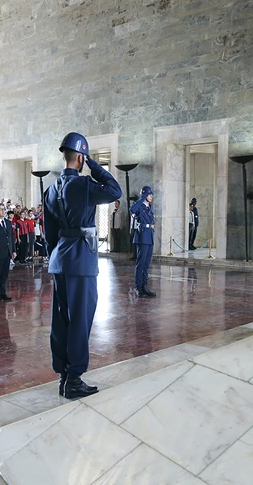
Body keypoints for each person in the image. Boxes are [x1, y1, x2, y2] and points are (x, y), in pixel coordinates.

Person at [44, 132, 121, 399]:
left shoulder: (51, 189)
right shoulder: (84, 185)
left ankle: (64, 375)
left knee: (61, 318)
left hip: (60, 260)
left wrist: (56, 256)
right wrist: (96, 166)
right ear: (80, 157)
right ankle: (74, 378)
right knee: (80, 318)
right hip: (81, 261)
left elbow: (49, 233)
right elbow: (115, 190)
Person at [131, 186, 156, 298]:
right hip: (142, 237)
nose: (151, 196)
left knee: (146, 264)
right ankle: (138, 287)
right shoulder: (139, 206)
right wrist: (141, 198)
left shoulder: (149, 207)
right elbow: (132, 210)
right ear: (144, 195)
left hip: (149, 236)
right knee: (140, 264)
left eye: (151, 194)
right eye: (149, 194)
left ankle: (144, 286)